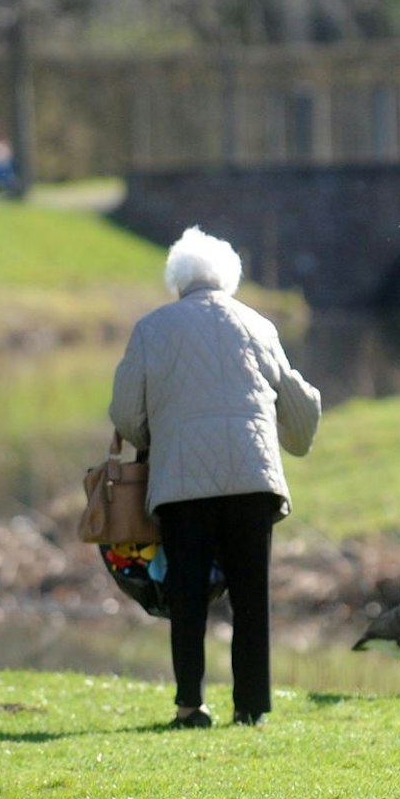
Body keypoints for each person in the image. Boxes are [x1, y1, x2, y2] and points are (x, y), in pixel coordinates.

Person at [109, 227, 322, 729]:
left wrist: (155, 435)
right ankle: (252, 706)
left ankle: (190, 705)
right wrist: (292, 436)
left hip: (182, 485)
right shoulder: (257, 324)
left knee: (186, 595)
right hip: (253, 479)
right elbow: (299, 403)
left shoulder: (151, 329)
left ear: (177, 280)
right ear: (229, 277)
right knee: (251, 595)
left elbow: (126, 413)